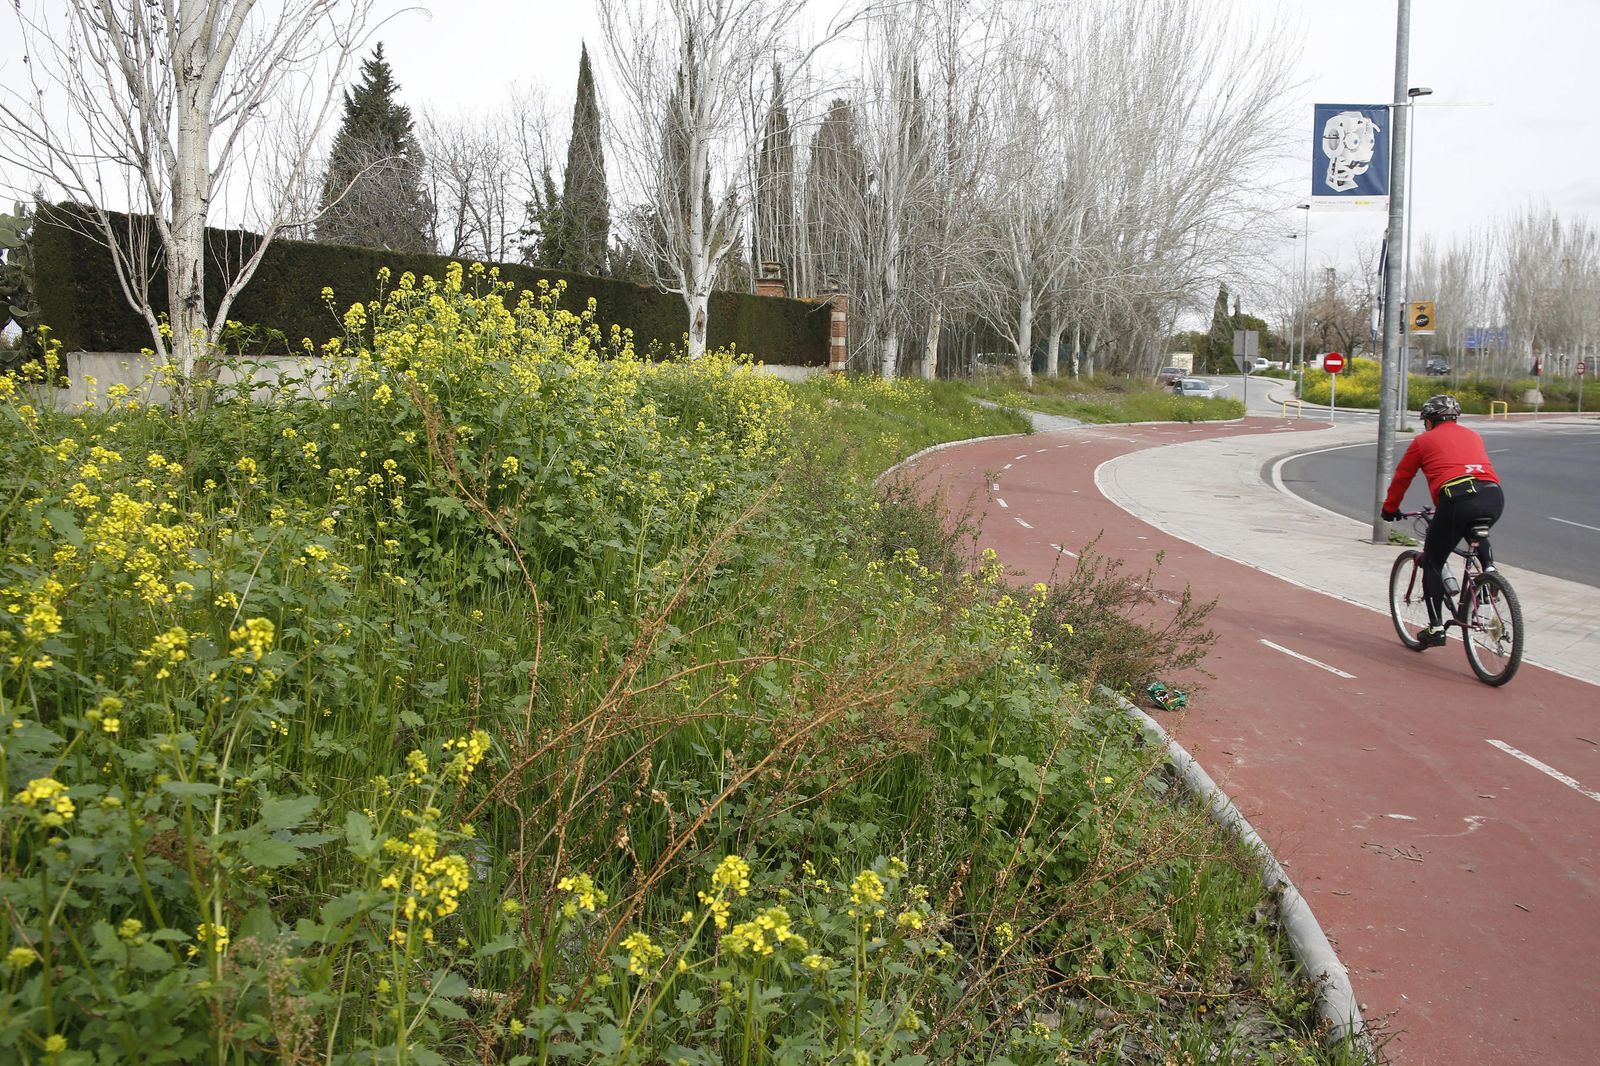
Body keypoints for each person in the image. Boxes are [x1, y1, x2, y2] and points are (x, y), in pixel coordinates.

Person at [1381, 395, 1504, 648]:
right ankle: (1490, 571)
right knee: (1477, 532)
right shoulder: (1473, 435)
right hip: (1493, 494)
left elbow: (1403, 477)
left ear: (1430, 420)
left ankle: (1436, 628)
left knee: (1433, 561)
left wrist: (1389, 509)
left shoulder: (1422, 441)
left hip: (1457, 499)